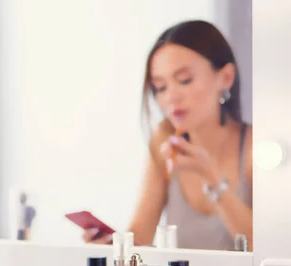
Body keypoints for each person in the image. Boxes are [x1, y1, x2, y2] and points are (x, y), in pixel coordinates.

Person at [83, 20, 252, 251]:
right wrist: (114, 246)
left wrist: (212, 180)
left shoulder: (255, 147)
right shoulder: (164, 139)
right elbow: (140, 238)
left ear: (226, 77)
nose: (171, 98)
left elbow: (270, 250)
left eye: (185, 80)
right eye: (160, 87)